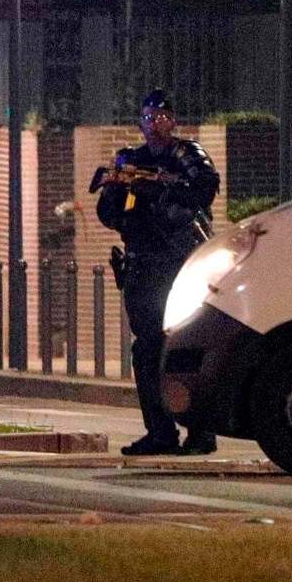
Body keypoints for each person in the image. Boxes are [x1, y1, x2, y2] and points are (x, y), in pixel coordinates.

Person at [95, 88, 221, 456]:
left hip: (183, 266)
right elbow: (109, 213)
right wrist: (121, 189)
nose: (156, 125)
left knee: (188, 348)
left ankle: (201, 431)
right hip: (144, 266)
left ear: (174, 121)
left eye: (162, 118)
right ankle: (160, 431)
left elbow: (203, 187)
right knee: (148, 350)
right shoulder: (130, 159)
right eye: (149, 118)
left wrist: (164, 187)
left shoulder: (187, 154)